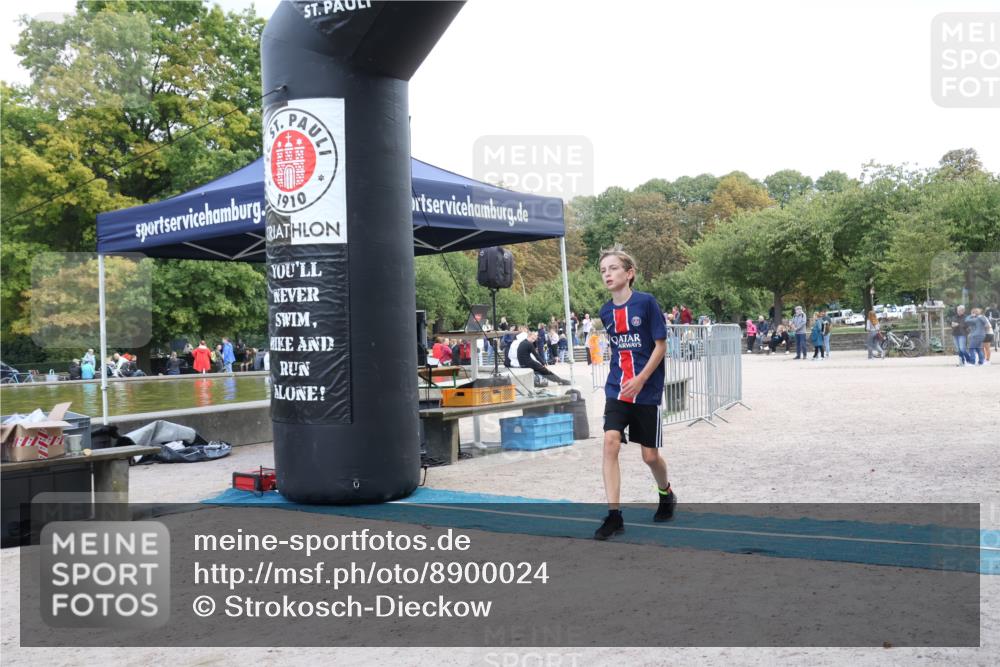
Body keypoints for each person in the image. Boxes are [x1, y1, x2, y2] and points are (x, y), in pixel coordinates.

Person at [594, 246, 675, 542]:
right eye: (603, 270)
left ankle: (666, 493)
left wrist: (641, 379)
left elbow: (661, 346)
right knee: (610, 442)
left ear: (629, 274)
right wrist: (624, 380)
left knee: (649, 456)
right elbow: (618, 349)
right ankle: (614, 515)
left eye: (613, 268)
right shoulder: (605, 312)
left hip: (647, 389)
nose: (607, 274)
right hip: (617, 388)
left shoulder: (646, 303)